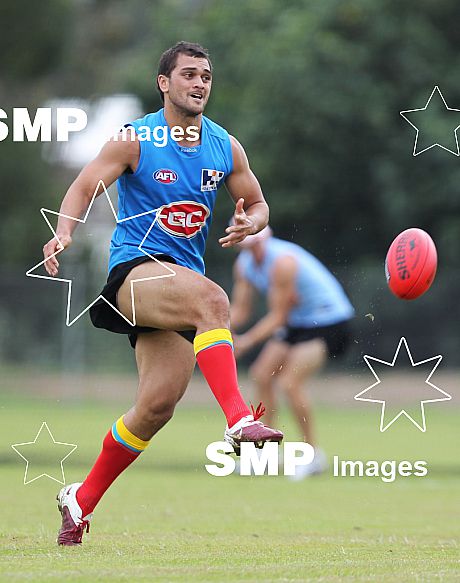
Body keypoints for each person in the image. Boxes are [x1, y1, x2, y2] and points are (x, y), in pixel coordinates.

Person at [42, 41, 283, 546]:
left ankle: (80, 501)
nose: (200, 84)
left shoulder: (225, 146)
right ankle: (240, 419)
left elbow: (259, 204)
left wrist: (249, 222)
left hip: (180, 284)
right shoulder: (136, 139)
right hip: (134, 274)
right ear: (164, 83)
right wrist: (64, 230)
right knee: (214, 302)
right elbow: (85, 185)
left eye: (207, 76)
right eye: (190, 75)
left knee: (155, 408)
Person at [230, 226, 354, 478]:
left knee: (289, 383)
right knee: (261, 374)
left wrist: (246, 341)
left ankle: (313, 455)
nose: (251, 249)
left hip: (328, 321)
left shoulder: (283, 262)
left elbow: (278, 317)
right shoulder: (244, 265)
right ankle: (264, 454)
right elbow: (240, 311)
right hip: (298, 322)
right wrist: (210, 328)